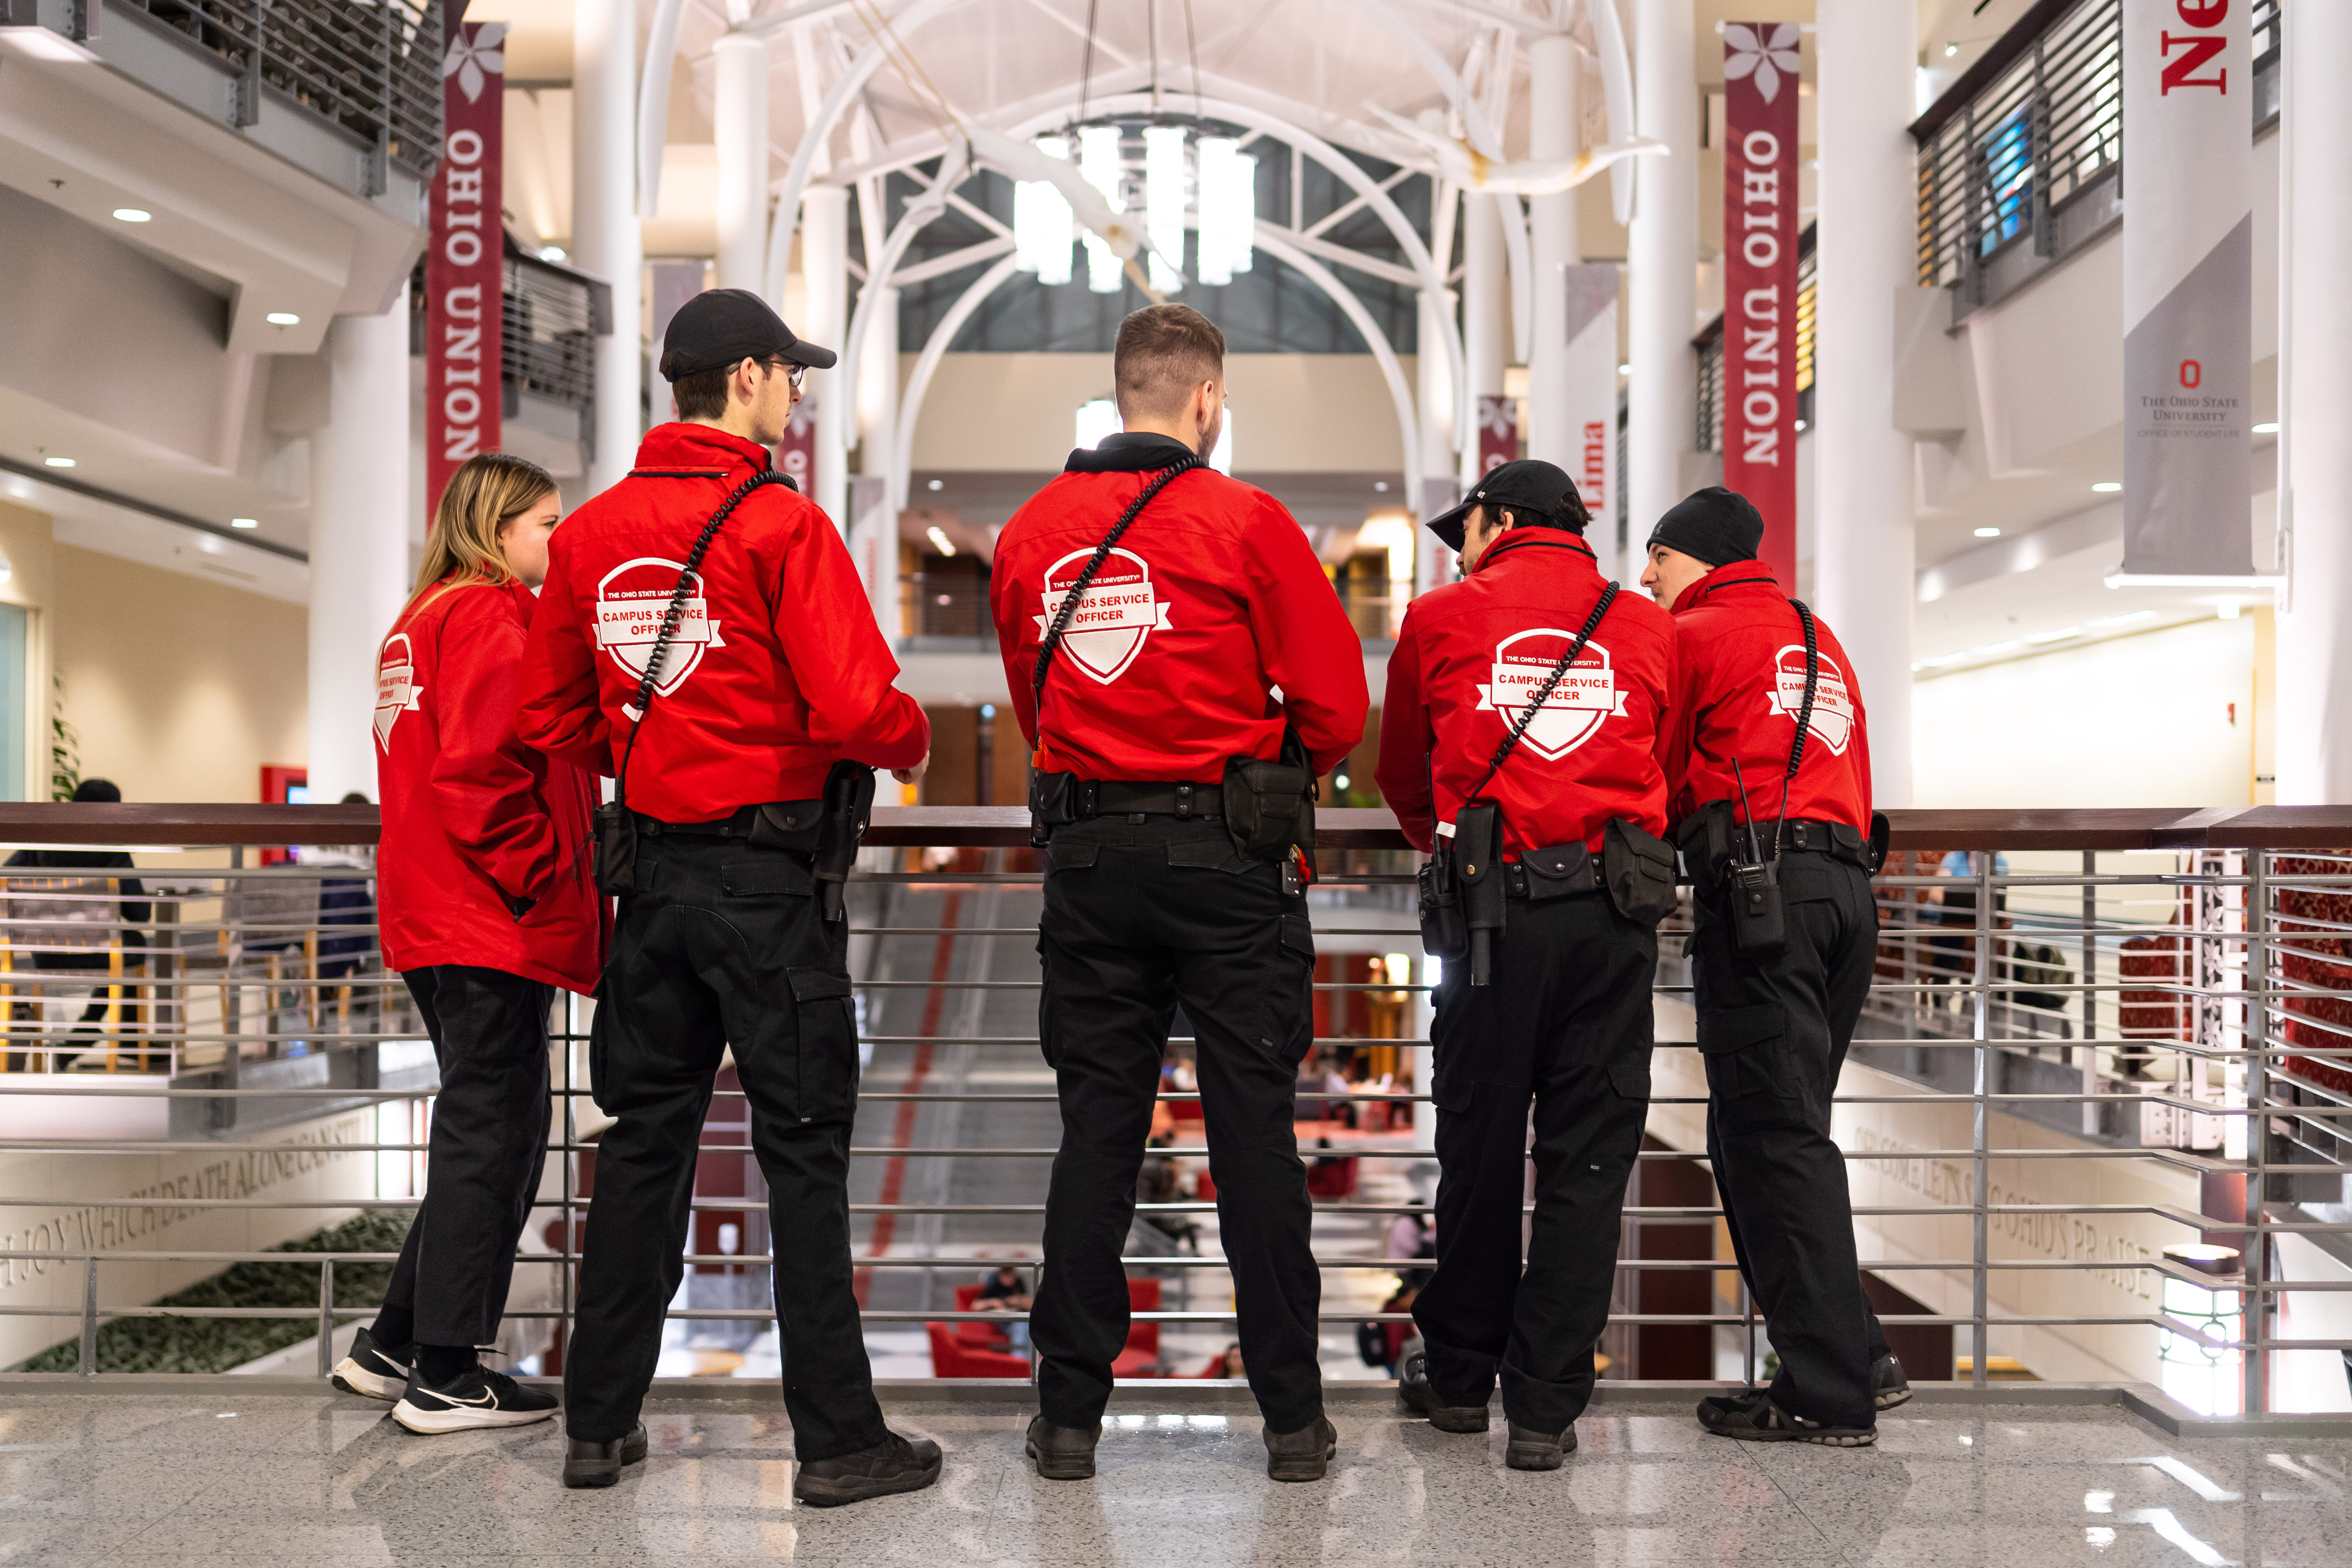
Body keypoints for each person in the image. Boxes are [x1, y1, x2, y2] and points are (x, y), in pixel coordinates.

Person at [515, 288, 939, 1505]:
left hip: (647, 883)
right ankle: (838, 1442)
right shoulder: (780, 526)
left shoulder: (590, 535)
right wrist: (905, 738)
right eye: (789, 373)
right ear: (745, 377)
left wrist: (655, 742)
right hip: (768, 884)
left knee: (643, 1148)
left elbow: (549, 717)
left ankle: (597, 1425)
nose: (798, 393)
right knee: (801, 1155)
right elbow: (861, 709)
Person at [988, 304, 1368, 1484]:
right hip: (1228, 868)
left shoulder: (1028, 531)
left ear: (1119, 396)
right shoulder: (1247, 521)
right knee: (1252, 1137)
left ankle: (1066, 1419)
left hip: (1090, 869)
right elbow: (1337, 709)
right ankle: (1293, 1421)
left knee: (1097, 1135)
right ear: (1208, 400)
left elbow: (1031, 697)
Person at [1373, 458, 1678, 1472]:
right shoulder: (1644, 624)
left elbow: (1401, 772)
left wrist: (1449, 846)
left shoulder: (1437, 618)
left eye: (1466, 526)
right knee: (1587, 1157)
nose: (1458, 544)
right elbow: (1660, 760)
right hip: (1611, 918)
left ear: (1500, 519)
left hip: (1490, 919)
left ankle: (1459, 1378)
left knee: (1476, 1146)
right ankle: (1544, 1404)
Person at [329, 453, 606, 1432]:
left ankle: (393, 1343)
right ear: (497, 532)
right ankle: (447, 1370)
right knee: (496, 1133)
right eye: (546, 523)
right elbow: (481, 773)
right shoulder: (491, 616)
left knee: (476, 1131)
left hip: (431, 909)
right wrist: (541, 877)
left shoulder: (418, 620)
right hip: (488, 911)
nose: (560, 539)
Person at [1641, 485, 1909, 1447]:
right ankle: (1854, 1352)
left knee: (1770, 1138)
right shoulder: (1816, 636)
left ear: (1699, 563)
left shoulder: (1693, 636)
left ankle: (1829, 1389)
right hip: (1846, 896)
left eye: (1657, 560)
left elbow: (1657, 770)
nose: (1645, 578)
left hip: (1762, 903)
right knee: (1772, 1131)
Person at [5, 778, 152, 1071]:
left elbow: (5, 882)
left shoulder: (38, 845)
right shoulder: (112, 851)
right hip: (97, 952)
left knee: (125, 945)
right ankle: (97, 1032)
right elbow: (140, 913)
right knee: (135, 941)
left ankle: (93, 1034)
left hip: (44, 953)